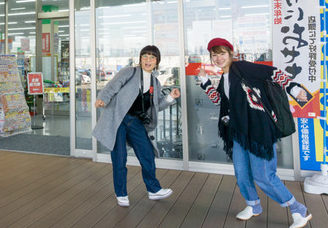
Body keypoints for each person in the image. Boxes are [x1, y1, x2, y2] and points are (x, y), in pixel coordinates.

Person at [197, 38, 312, 228]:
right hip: (239, 132)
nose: (218, 58)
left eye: (222, 54)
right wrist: (204, 81)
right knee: (241, 173)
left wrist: (293, 88)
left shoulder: (242, 67)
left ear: (231, 54)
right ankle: (253, 205)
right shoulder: (225, 77)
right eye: (214, 55)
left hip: (259, 131)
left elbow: (272, 72)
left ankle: (298, 209)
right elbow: (218, 101)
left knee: (264, 175)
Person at [93, 45, 181, 207]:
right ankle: (121, 193)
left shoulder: (155, 82)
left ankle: (153, 190)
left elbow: (156, 106)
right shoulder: (129, 72)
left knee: (147, 154)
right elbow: (112, 86)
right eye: (145, 56)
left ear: (157, 62)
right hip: (119, 119)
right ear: (140, 59)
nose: (148, 60)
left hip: (136, 122)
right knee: (119, 158)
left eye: (152, 57)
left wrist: (170, 97)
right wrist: (102, 99)